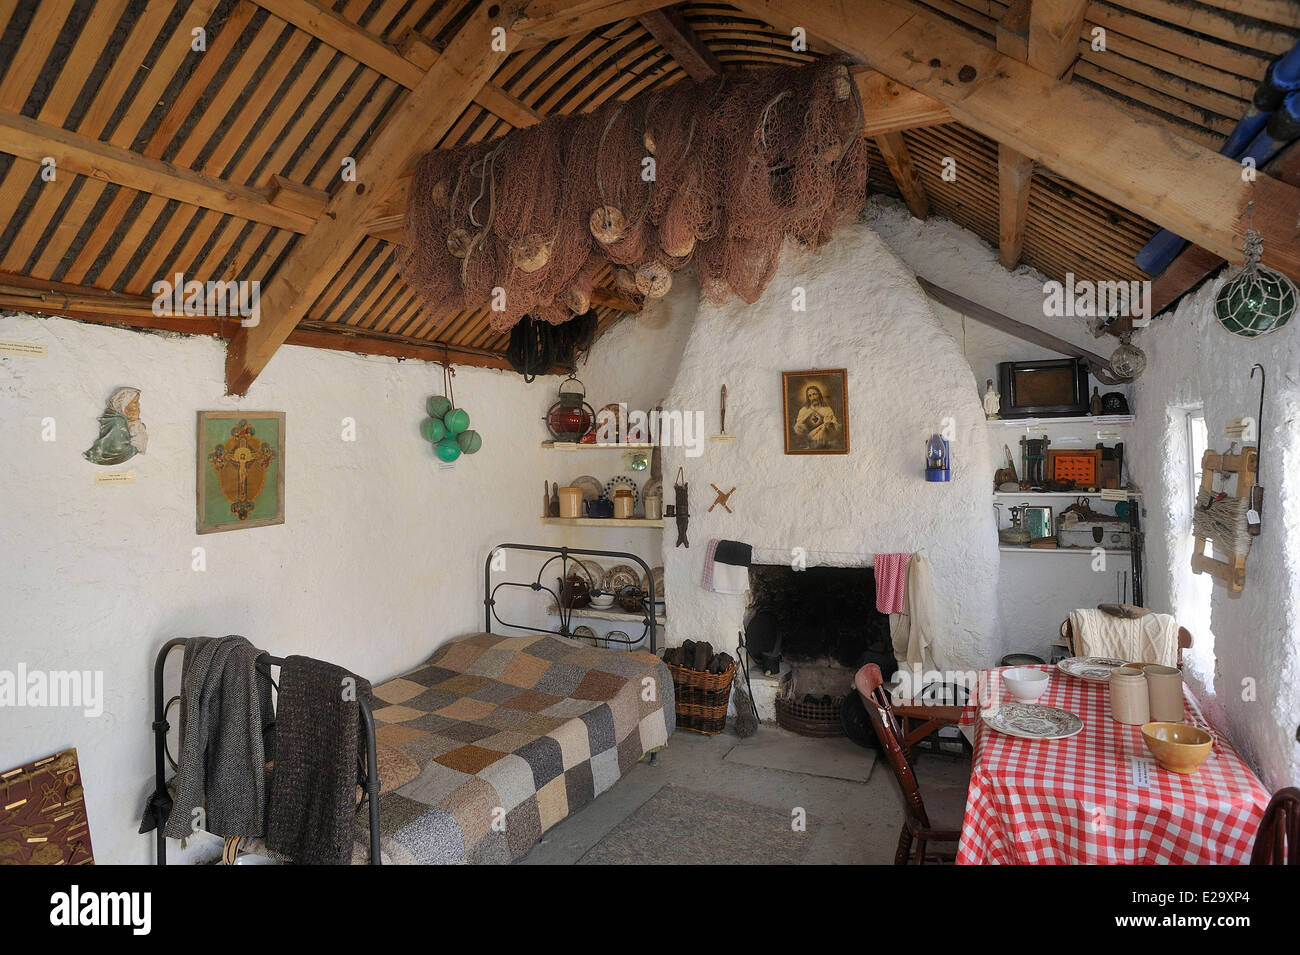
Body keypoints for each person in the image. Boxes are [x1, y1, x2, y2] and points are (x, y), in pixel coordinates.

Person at [84, 387, 147, 465]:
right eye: (135, 402)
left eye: (138, 402)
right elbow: (118, 449)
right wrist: (138, 443)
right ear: (124, 403)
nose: (138, 405)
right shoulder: (117, 421)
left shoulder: (123, 418)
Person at [793, 383, 839, 449]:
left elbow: (836, 428)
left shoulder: (827, 409)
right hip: (808, 443)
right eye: (810, 395)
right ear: (808, 398)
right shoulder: (803, 410)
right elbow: (797, 428)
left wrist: (829, 425)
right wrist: (800, 427)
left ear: (819, 395)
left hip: (824, 443)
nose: (813, 398)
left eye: (815, 394)